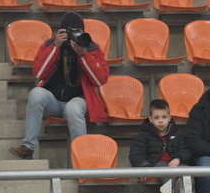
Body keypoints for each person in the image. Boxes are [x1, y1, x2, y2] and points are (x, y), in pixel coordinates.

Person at [10, 12, 109, 160]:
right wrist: (55, 47)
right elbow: (39, 73)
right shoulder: (50, 45)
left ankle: (81, 158)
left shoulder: (91, 47)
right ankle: (28, 146)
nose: (73, 36)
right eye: (69, 32)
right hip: (54, 101)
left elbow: (100, 80)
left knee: (73, 109)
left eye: (77, 32)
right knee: (36, 94)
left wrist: (83, 55)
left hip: (79, 100)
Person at [129, 99, 188, 168]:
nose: (160, 121)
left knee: (188, 169)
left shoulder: (177, 134)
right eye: (156, 118)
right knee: (161, 166)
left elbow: (186, 150)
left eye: (164, 117)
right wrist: (146, 166)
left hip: (176, 166)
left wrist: (178, 158)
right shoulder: (142, 136)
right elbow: (136, 155)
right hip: (153, 168)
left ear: (169, 118)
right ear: (150, 119)